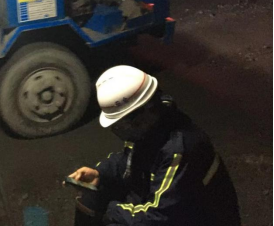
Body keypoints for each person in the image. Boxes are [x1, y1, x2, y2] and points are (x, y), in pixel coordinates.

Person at [68, 65, 240, 226]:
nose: (122, 129)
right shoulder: (150, 127)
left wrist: (108, 209)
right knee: (91, 197)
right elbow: (129, 160)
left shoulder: (179, 149)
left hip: (197, 218)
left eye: (122, 123)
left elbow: (159, 216)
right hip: (170, 207)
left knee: (104, 211)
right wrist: (100, 172)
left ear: (145, 111)